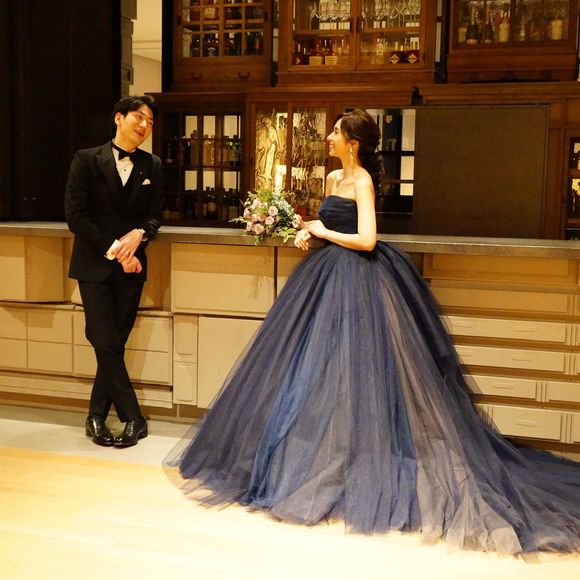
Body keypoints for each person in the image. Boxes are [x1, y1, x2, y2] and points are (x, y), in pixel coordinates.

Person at [164, 109, 580, 555]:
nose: (328, 136)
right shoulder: (331, 179)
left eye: (336, 132)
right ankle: (314, 459)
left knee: (358, 373)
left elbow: (366, 240)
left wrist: (323, 230)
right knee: (315, 373)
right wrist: (310, 234)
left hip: (359, 280)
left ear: (354, 143)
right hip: (324, 276)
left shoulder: (361, 180)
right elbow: (332, 229)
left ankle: (360, 463)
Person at [65, 95, 163, 448]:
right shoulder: (87, 159)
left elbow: (155, 215)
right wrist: (118, 251)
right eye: (139, 117)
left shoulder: (152, 164)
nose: (145, 126)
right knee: (103, 339)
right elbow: (76, 217)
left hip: (132, 270)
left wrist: (141, 234)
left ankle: (95, 416)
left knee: (113, 345)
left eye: (150, 122)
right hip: (95, 266)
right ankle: (133, 417)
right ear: (119, 118)